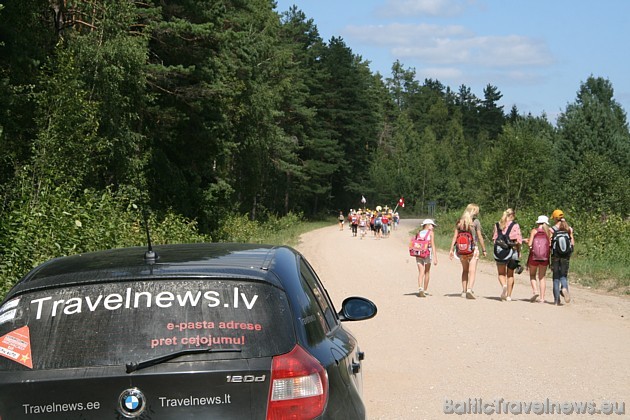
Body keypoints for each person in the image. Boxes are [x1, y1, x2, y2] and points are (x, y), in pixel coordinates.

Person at [449, 204, 487, 299]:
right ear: (473, 211)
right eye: (477, 211)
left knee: (465, 270)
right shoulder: (475, 222)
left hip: (461, 250)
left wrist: (451, 249)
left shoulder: (459, 223)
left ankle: (464, 291)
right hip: (473, 249)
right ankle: (470, 289)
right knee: (472, 271)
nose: (477, 213)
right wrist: (484, 249)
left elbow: (454, 237)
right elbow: (479, 236)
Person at [492, 208, 523, 301]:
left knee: (501, 273)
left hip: (500, 252)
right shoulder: (515, 225)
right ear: (512, 215)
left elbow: (494, 240)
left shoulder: (497, 225)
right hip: (512, 251)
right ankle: (509, 296)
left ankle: (504, 285)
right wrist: (519, 252)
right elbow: (518, 241)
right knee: (510, 274)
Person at [550, 209, 575, 305]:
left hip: (555, 256)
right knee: (563, 276)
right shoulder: (569, 229)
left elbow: (550, 244)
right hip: (566, 256)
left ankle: (556, 301)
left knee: (556, 278)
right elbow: (572, 243)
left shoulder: (552, 230)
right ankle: (564, 288)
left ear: (555, 218)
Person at [525, 215, 551, 303]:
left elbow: (530, 244)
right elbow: (550, 244)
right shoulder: (549, 232)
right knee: (542, 277)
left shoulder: (534, 231)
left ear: (538, 222)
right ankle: (542, 298)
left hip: (534, 257)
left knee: (532, 275)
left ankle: (535, 291)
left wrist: (527, 241)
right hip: (545, 257)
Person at [415, 219, 438, 297]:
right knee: (427, 272)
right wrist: (435, 257)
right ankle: (425, 290)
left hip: (418, 254)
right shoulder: (431, 233)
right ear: (428, 225)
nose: (433, 227)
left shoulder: (418, 232)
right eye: (432, 225)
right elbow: (433, 245)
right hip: (427, 254)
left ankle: (420, 288)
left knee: (421, 272)